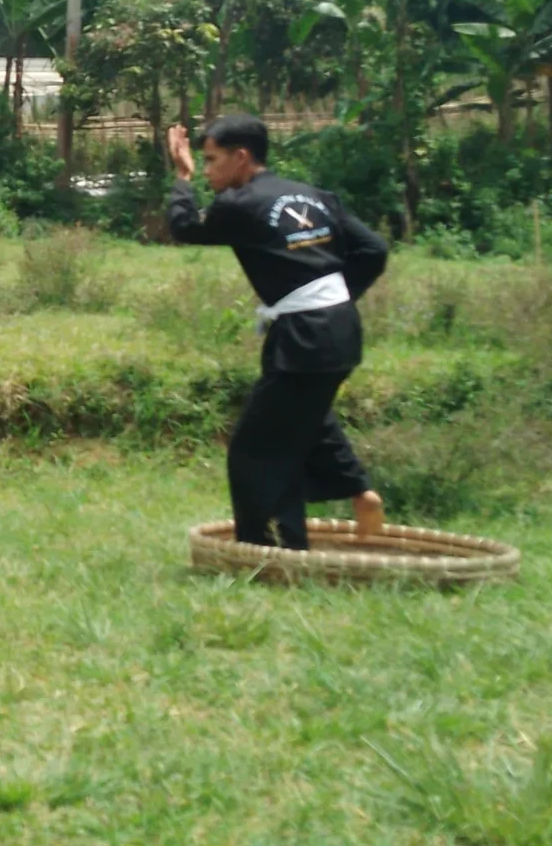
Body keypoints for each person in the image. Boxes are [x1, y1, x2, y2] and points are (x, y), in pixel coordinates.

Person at [164, 114, 389, 550]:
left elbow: (184, 227)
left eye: (211, 160)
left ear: (241, 157)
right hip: (338, 330)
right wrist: (334, 297)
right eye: (201, 162)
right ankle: (354, 494)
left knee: (253, 451)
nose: (207, 169)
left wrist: (182, 176)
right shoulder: (315, 195)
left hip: (303, 337)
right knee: (305, 420)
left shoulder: (238, 204)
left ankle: (261, 551)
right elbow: (374, 248)